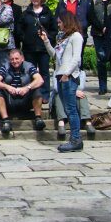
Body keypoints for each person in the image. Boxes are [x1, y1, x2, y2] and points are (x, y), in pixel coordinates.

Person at [42, 12, 85, 152]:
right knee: (67, 108)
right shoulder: (61, 37)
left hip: (69, 76)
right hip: (60, 75)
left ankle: (76, 139)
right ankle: (74, 137)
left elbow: (76, 58)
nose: (58, 24)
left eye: (60, 22)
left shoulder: (76, 36)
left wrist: (67, 73)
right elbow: (55, 55)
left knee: (71, 109)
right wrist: (46, 41)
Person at [18, 0, 56, 109]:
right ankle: (31, 95)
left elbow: (54, 29)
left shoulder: (48, 13)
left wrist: (48, 38)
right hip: (29, 48)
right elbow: (19, 29)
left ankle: (45, 95)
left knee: (44, 71)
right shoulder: (26, 13)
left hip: (43, 48)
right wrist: (24, 38)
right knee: (30, 72)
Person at [0, 49, 45, 130]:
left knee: (37, 90)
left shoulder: (29, 66)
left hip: (25, 99)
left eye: (17, 58)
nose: (14, 61)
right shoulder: (5, 66)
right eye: (12, 59)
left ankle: (38, 118)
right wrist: (7, 87)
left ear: (22, 58)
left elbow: (40, 80)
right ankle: (6, 120)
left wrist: (27, 88)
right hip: (10, 100)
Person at [89, 0, 111, 95]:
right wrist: (101, 27)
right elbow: (91, 16)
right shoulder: (94, 0)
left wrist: (108, 28)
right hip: (98, 33)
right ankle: (102, 87)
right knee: (101, 60)